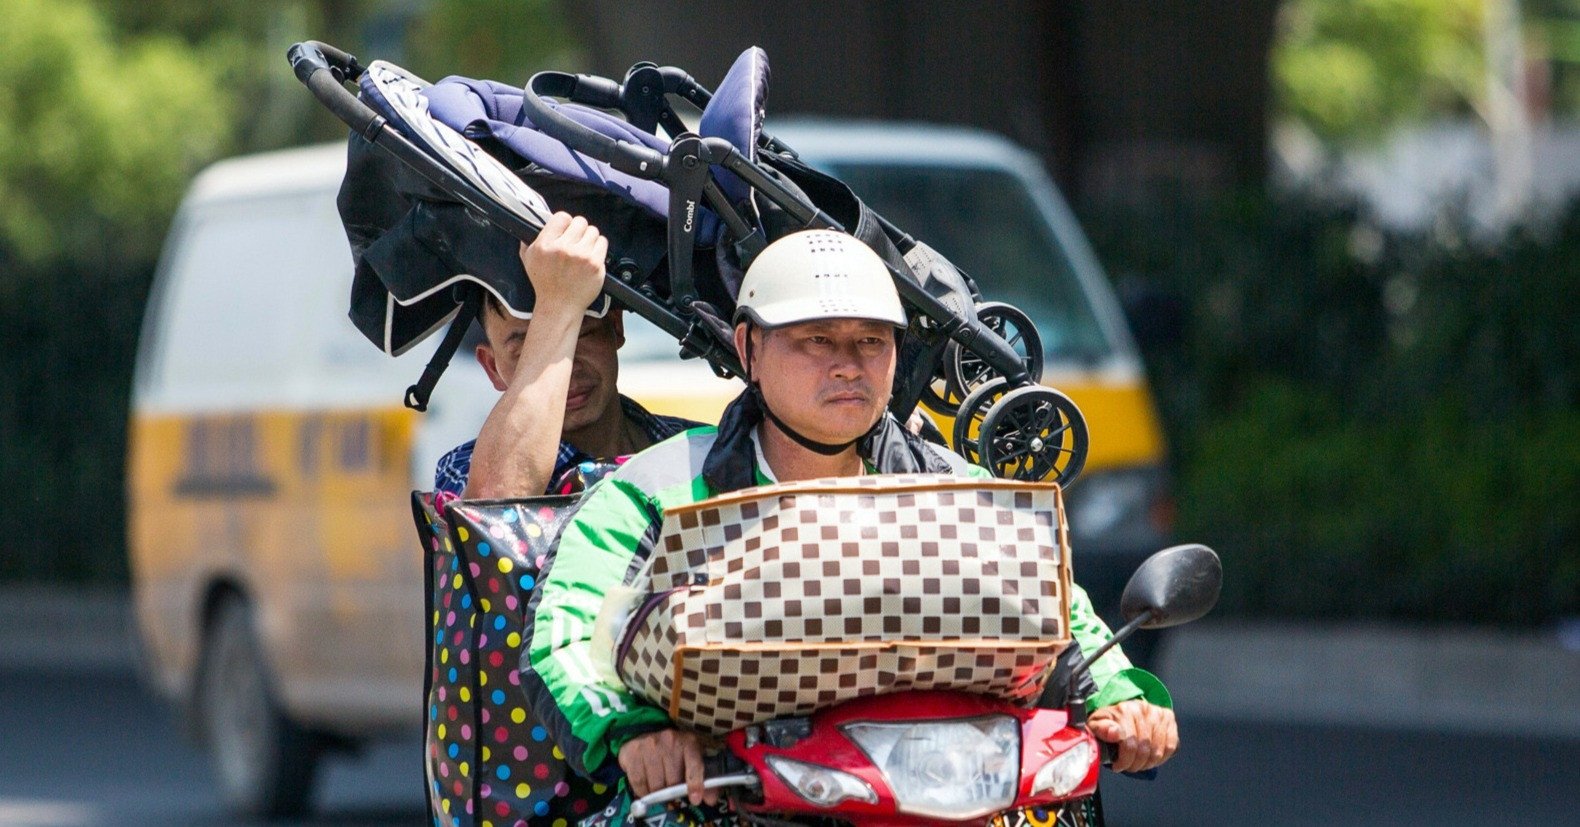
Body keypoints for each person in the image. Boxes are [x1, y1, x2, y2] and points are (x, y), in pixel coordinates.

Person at [525, 229, 1177, 817]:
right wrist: (634, 731)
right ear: (750, 347)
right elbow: (566, 632)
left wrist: (1122, 699)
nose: (848, 363)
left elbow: (1060, 615)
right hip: (727, 804)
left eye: (871, 340)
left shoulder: (960, 491)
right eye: (816, 339)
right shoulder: (649, 491)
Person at [432, 211, 700, 499]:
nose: (567, 368)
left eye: (581, 332)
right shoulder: (462, 470)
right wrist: (558, 305)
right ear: (492, 367)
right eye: (525, 350)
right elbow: (491, 509)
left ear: (615, 326)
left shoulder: (697, 452)